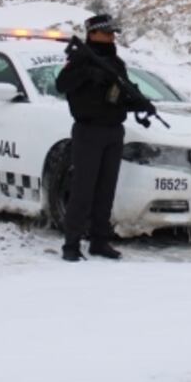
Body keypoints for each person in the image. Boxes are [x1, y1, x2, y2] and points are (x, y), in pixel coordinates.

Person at [55, 14, 153, 262]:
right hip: (88, 131)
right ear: (93, 34)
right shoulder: (79, 59)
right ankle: (71, 244)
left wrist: (141, 104)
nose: (112, 37)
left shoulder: (115, 62)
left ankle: (100, 241)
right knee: (82, 190)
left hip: (112, 131)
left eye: (113, 33)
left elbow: (121, 93)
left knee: (105, 191)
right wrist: (87, 74)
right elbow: (61, 84)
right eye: (107, 33)